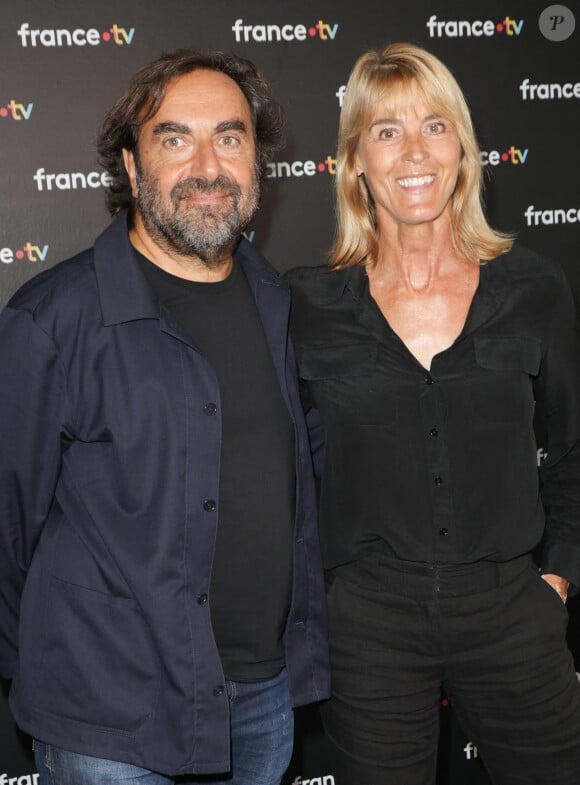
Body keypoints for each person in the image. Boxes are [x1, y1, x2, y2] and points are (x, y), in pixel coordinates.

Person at [0, 49, 330, 785]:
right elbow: (6, 527)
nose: (208, 165)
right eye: (175, 138)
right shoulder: (55, 319)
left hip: (262, 702)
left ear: (257, 161)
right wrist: (59, 669)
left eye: (231, 137)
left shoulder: (282, 304)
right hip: (109, 719)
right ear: (130, 163)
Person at [286, 43, 580, 785]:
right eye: (386, 131)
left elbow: (575, 450)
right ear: (354, 160)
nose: (414, 151)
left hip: (514, 610)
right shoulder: (306, 305)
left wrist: (557, 584)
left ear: (463, 149)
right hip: (369, 625)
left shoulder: (535, 287)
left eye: (435, 126)